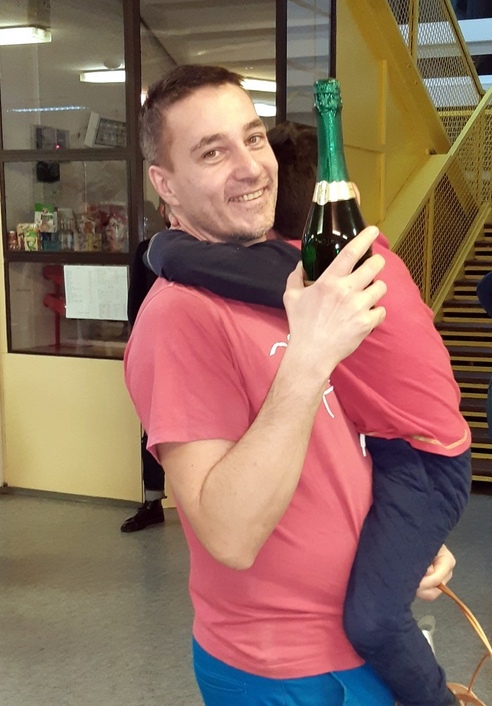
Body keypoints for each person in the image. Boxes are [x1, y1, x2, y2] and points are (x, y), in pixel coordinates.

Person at [125, 66, 461, 706]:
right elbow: (229, 535)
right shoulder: (180, 318)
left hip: (357, 645)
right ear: (164, 183)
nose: (250, 167)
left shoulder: (291, 278)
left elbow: (339, 442)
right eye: (212, 152)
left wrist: (401, 541)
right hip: (285, 670)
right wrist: (309, 356)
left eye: (253, 138)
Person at [120, 199, 167, 533]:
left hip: (200, 354)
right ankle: (153, 502)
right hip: (157, 353)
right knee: (153, 431)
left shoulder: (210, 250)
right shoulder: (146, 251)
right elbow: (134, 310)